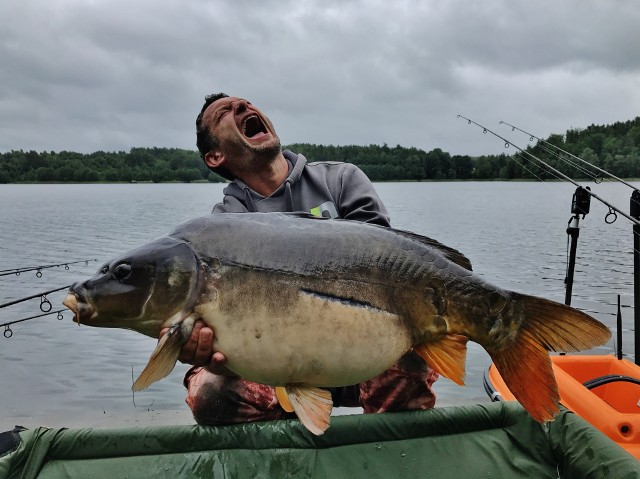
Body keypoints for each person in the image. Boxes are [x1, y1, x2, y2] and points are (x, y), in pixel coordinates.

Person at [169, 93, 438, 426]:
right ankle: (288, 458)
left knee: (411, 353)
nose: (243, 107)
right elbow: (221, 336)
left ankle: (394, 458)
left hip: (360, 355)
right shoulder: (221, 230)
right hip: (274, 368)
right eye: (224, 112)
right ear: (215, 156)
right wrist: (209, 355)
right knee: (210, 391)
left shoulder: (341, 180)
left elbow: (390, 269)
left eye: (246, 103)